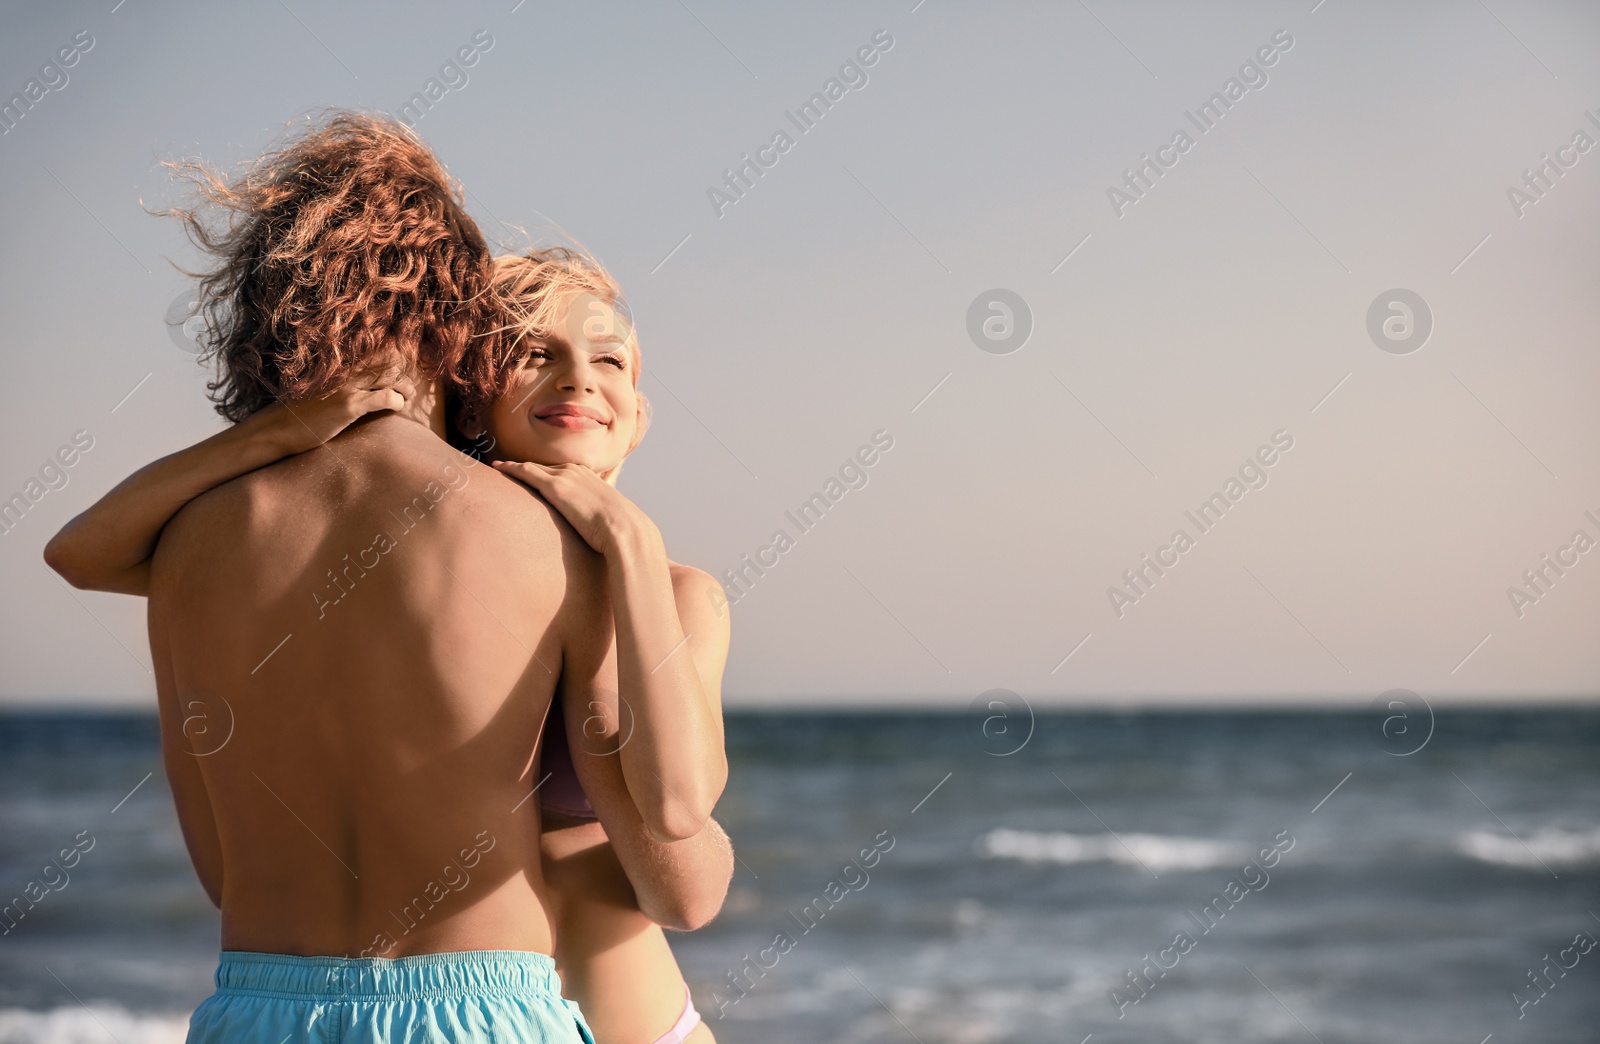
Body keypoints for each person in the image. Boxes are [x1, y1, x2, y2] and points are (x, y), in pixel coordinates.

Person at [45, 111, 731, 1044]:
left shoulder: (181, 547)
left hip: (252, 1005)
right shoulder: (555, 545)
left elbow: (218, 872)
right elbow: (679, 856)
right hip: (480, 1006)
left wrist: (270, 435)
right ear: (458, 324)